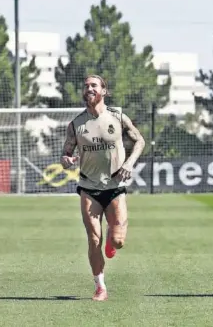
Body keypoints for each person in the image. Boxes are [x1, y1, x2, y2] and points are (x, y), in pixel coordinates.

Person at [60, 75, 145, 301]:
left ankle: (112, 241)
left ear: (104, 91)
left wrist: (129, 164)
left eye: (94, 86)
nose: (89, 89)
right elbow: (65, 155)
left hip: (115, 185)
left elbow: (140, 141)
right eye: (86, 86)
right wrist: (66, 160)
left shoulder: (117, 116)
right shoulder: (76, 124)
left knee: (117, 241)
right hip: (89, 186)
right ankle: (100, 287)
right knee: (93, 238)